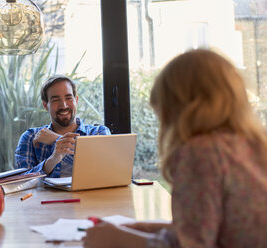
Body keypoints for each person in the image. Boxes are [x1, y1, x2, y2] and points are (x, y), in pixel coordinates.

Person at [82, 49, 267, 247]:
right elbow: (213, 228)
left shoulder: (203, 151)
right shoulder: (252, 144)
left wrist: (116, 239)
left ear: (177, 106)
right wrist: (147, 228)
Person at [15, 75, 111, 177]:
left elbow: (107, 170)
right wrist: (51, 161)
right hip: (46, 194)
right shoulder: (31, 137)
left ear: (76, 100)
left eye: (68, 98)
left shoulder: (99, 133)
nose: (64, 105)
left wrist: (56, 139)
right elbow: (21, 181)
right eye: (56, 100)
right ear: (45, 105)